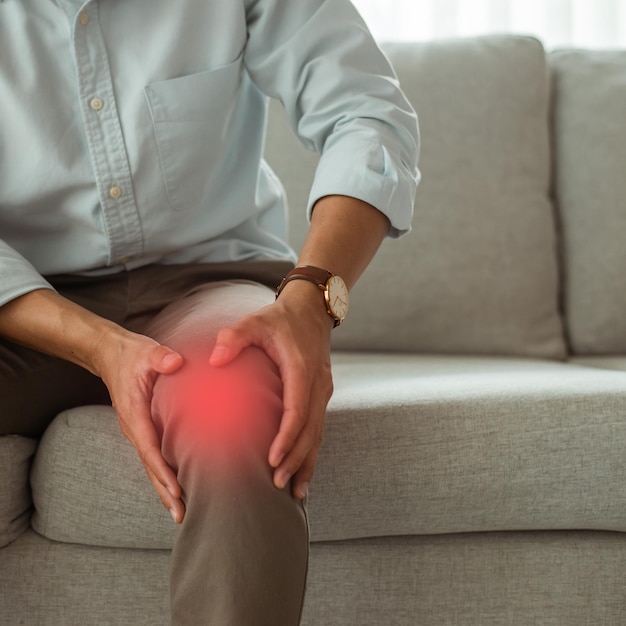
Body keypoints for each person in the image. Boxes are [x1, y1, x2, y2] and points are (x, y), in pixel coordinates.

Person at [0, 0, 419, 623]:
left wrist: (309, 299)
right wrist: (101, 346)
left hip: (208, 280)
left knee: (232, 406)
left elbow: (367, 112)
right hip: (25, 304)